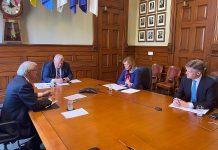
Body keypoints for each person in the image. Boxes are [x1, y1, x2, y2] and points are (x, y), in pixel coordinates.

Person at [1, 61, 53, 150]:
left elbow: (26, 96)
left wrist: (41, 94)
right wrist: (50, 100)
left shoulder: (18, 79)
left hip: (8, 118)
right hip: (15, 124)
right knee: (44, 127)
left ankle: (31, 145)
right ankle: (31, 146)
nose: (37, 72)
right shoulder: (24, 85)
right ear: (29, 72)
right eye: (35, 70)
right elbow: (35, 106)